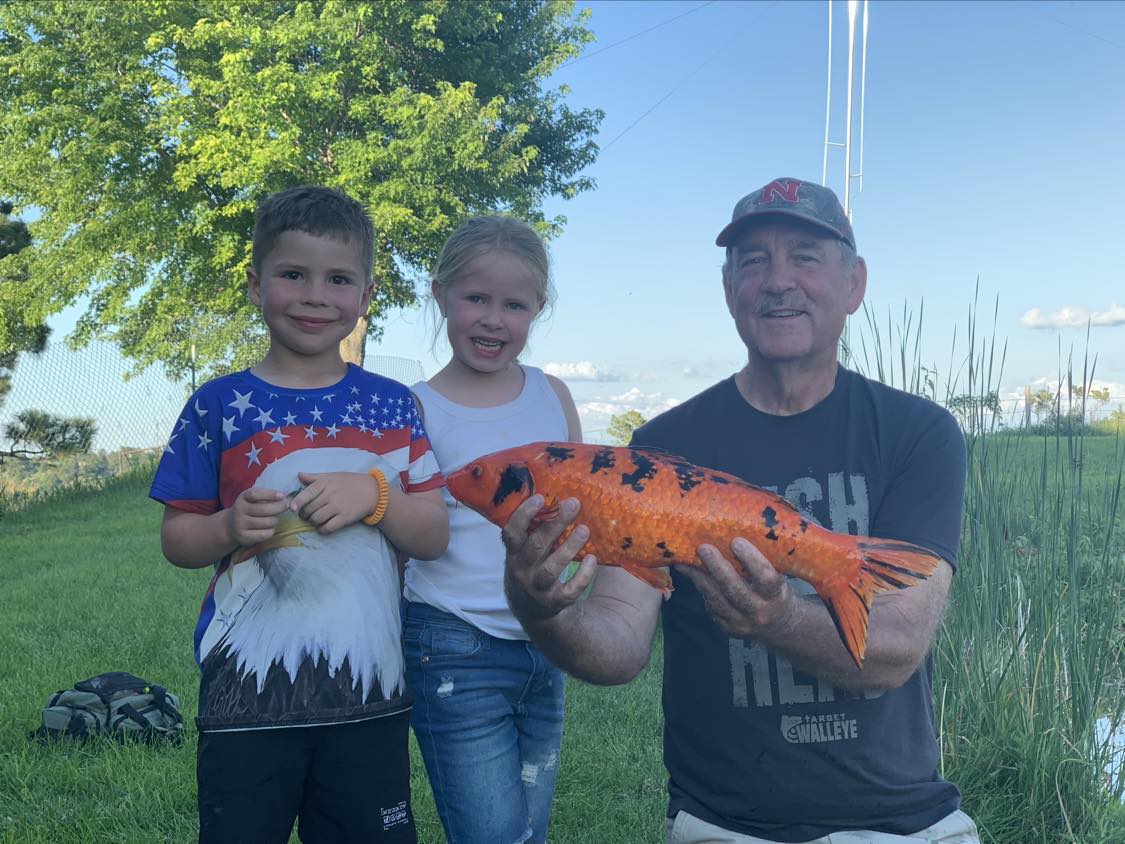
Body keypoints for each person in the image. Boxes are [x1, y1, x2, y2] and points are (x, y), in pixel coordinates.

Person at [502, 178, 980, 843]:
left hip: (902, 821)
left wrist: (776, 618)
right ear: (729, 288)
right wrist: (540, 607)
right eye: (753, 260)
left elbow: (895, 648)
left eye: (805, 256)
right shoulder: (658, 449)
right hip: (723, 823)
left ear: (852, 284)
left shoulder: (918, 433)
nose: (777, 280)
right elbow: (614, 650)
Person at [150, 186, 448, 843]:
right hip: (244, 702)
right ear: (256, 286)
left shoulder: (393, 406)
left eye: (338, 279)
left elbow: (432, 534)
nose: (315, 295)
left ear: (366, 297)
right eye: (293, 274)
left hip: (370, 698)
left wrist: (377, 495)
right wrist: (228, 526)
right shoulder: (218, 404)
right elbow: (179, 537)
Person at [402, 215, 582, 844]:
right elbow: (404, 536)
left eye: (514, 304)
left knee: (530, 827)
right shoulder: (417, 407)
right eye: (476, 298)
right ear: (441, 294)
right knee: (491, 834)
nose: (492, 319)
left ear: (537, 309)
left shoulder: (553, 395)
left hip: (545, 639)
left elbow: (579, 511)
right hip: (451, 643)